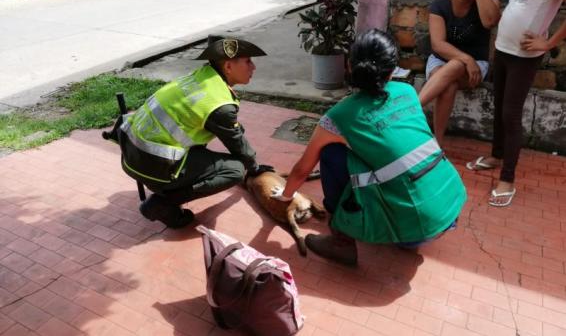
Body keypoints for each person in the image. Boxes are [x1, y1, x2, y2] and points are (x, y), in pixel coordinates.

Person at [270, 29, 467, 265]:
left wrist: (285, 196)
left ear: (349, 68)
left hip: (414, 230)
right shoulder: (407, 92)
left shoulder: (339, 116)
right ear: (394, 69)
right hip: (450, 207)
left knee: (332, 153)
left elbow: (302, 169)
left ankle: (341, 241)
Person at [118, 35, 274, 228]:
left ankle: (169, 187)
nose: (254, 67)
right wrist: (254, 168)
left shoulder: (203, 77)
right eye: (248, 61)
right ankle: (162, 203)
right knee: (235, 170)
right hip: (152, 166)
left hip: (132, 153)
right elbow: (236, 143)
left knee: (231, 137)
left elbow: (231, 130)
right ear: (228, 67)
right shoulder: (218, 104)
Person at [466, 0, 566, 207]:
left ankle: (507, 180)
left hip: (525, 56)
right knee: (499, 104)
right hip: (503, 49)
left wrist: (549, 44)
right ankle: (496, 155)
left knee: (510, 114)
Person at [418, 0, 500, 145]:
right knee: (449, 85)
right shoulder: (439, 6)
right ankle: (438, 143)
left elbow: (490, 22)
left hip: (476, 66)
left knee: (456, 65)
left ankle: (411, 108)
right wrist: (466, 59)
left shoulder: (489, 1)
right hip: (440, 61)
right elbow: (438, 45)